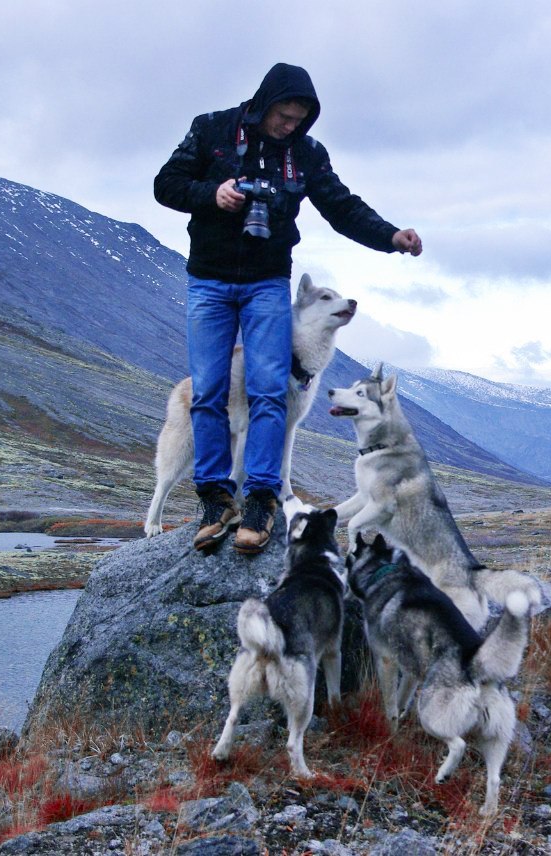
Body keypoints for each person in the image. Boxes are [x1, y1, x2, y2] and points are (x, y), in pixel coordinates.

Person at [154, 62, 422, 554]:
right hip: (209, 281)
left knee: (269, 390)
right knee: (210, 392)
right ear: (264, 102)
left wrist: (389, 236)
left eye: (299, 119)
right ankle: (216, 501)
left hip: (267, 284)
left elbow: (341, 206)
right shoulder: (210, 129)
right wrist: (212, 195)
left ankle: (260, 500)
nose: (289, 126)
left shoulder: (306, 154)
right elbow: (165, 184)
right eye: (284, 115)